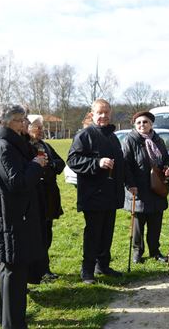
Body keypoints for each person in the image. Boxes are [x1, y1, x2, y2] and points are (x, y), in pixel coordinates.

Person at [0, 103, 47, 328]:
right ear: (5, 122)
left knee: (11, 276)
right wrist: (36, 165)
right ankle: (13, 324)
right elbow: (17, 182)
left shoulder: (12, 144)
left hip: (14, 220)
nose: (25, 124)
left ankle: (9, 321)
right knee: (13, 277)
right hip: (11, 223)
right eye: (21, 120)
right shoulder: (3, 147)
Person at [67, 98, 125, 284]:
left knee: (107, 232)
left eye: (107, 112)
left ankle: (103, 266)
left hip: (111, 193)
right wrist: (97, 163)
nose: (104, 116)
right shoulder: (85, 135)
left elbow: (121, 163)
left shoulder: (112, 136)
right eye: (100, 112)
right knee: (93, 234)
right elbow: (73, 160)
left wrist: (129, 183)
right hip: (93, 194)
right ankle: (87, 271)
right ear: (92, 114)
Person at [123, 110, 169, 264]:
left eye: (145, 122)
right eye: (139, 122)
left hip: (157, 187)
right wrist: (130, 184)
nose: (142, 125)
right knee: (138, 224)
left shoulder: (159, 140)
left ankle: (155, 251)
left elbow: (166, 158)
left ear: (151, 124)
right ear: (135, 125)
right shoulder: (130, 140)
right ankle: (137, 252)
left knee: (155, 222)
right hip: (138, 189)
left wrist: (167, 167)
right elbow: (125, 165)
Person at [28, 114, 66, 281]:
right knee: (36, 235)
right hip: (34, 198)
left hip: (49, 197)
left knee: (47, 234)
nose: (42, 131)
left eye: (42, 128)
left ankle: (45, 268)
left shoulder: (45, 145)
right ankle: (36, 270)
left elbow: (61, 163)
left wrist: (50, 164)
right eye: (38, 128)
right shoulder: (24, 147)